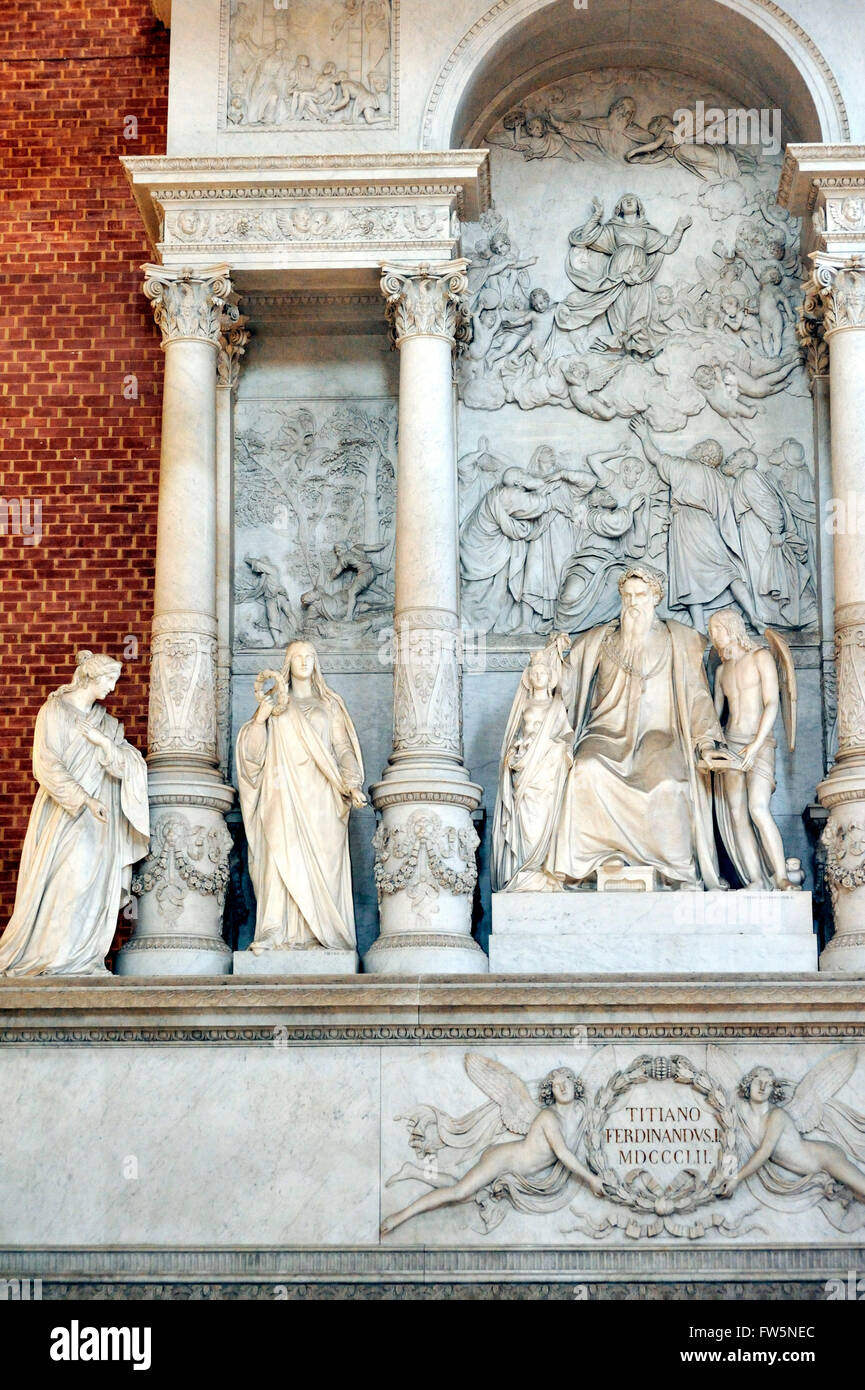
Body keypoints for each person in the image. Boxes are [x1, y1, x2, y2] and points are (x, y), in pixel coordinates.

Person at [547, 565, 734, 889]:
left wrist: (706, 742)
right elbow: (564, 678)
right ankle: (597, 861)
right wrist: (552, 657)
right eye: (628, 596)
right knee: (585, 771)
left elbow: (697, 696)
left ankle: (674, 872)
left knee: (669, 784)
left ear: (655, 598)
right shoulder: (601, 640)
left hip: (660, 735)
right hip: (606, 732)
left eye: (641, 595)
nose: (633, 603)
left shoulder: (681, 639)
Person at [0, 651, 149, 976]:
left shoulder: (107, 725)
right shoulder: (54, 711)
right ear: (89, 678)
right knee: (67, 879)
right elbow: (46, 763)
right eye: (108, 680)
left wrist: (104, 744)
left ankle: (82, 958)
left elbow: (127, 763)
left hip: (100, 820)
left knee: (92, 885)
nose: (112, 688)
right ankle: (54, 958)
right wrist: (82, 798)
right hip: (65, 813)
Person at [236, 641, 365, 952]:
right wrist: (259, 720)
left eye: (310, 657)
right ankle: (273, 931)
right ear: (287, 663)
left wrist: (352, 782)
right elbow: (252, 756)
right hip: (282, 793)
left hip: (322, 797)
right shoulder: (275, 703)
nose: (305, 662)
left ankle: (322, 935)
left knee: (322, 865)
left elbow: (343, 748)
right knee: (279, 858)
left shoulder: (330, 704)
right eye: (298, 657)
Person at [708, 609, 793, 890]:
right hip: (731, 746)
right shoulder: (722, 671)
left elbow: (772, 703)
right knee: (736, 814)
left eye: (717, 629)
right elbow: (714, 716)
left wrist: (755, 746)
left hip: (760, 743)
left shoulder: (761, 658)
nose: (713, 635)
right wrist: (711, 745)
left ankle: (781, 876)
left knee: (757, 808)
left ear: (731, 628)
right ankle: (755, 878)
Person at [555, 194, 692, 358]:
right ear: (619, 207)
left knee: (640, 308)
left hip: (640, 273)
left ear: (639, 206)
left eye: (632, 199)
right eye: (625, 199)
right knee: (620, 309)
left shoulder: (646, 230)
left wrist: (679, 228)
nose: (628, 201)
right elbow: (585, 238)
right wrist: (596, 215)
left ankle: (639, 349)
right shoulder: (613, 228)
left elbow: (668, 246)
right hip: (618, 272)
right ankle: (623, 348)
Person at [492, 647, 574, 891]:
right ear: (529, 677)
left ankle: (539, 867)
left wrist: (557, 750)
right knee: (525, 823)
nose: (539, 677)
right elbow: (513, 737)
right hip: (524, 770)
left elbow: (565, 738)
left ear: (551, 678)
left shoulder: (557, 705)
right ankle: (524, 869)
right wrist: (516, 752)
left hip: (547, 773)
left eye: (544, 673)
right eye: (535, 673)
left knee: (543, 821)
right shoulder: (523, 705)